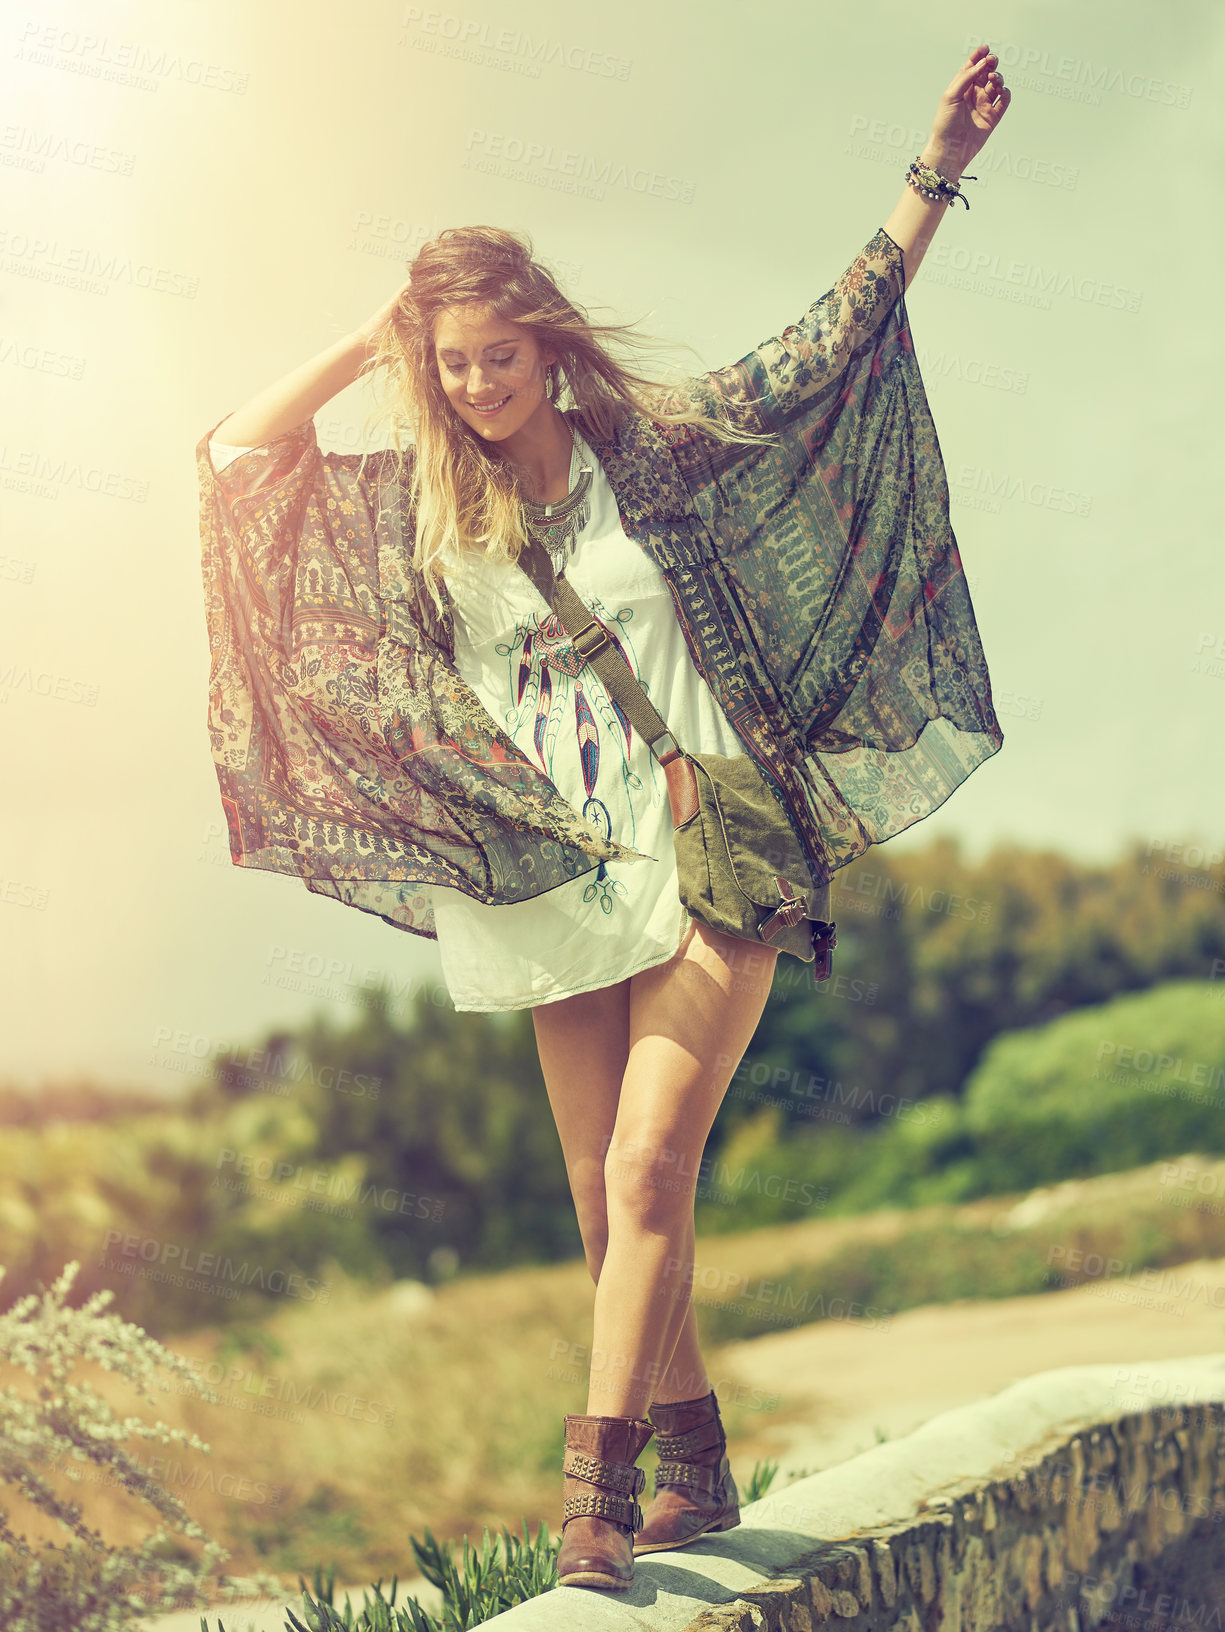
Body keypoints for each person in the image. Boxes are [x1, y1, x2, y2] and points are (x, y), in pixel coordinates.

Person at [198, 44, 1010, 1594]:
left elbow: (829, 348)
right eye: (450, 364)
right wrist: (371, 335)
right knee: (599, 1202)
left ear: (547, 347)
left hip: (709, 846)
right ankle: (699, 1462)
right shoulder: (418, 517)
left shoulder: (659, 454)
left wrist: (931, 169)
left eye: (498, 355)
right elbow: (238, 463)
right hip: (546, 875)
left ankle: (597, 1500)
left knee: (646, 1177)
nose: (477, 385)